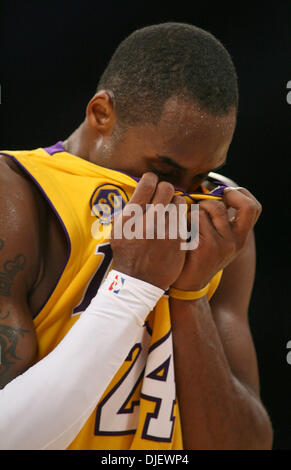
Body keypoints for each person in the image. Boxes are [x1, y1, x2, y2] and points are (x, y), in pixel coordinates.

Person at [0, 22, 273, 450]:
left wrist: (189, 295)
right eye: (163, 172)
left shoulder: (220, 224)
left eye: (199, 177)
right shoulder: (14, 195)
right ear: (101, 113)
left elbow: (246, 444)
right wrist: (132, 290)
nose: (177, 197)